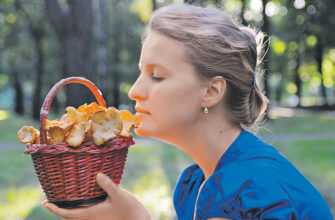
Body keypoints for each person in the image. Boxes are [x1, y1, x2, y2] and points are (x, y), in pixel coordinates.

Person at [42, 4, 334, 220]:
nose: (134, 91)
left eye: (157, 76)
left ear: (211, 91)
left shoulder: (256, 192)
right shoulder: (194, 183)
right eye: (141, 73)